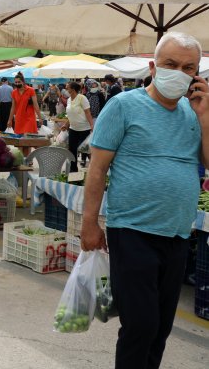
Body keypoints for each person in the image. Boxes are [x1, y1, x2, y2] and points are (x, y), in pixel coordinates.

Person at [80, 32, 208, 369]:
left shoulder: (194, 113)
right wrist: (89, 224)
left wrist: (205, 117)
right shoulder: (123, 105)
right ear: (153, 66)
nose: (178, 72)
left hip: (179, 232)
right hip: (132, 229)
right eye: (170, 64)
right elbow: (97, 170)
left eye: (188, 67)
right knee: (141, 324)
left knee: (161, 327)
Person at [62, 81, 93, 172]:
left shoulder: (82, 98)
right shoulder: (68, 100)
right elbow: (70, 114)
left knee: (86, 150)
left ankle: (93, 168)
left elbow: (87, 112)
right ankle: (73, 170)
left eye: (68, 87)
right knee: (72, 150)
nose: (66, 88)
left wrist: (92, 125)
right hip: (73, 128)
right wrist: (66, 124)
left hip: (84, 128)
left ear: (73, 89)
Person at [7, 72, 41, 142]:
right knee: (20, 142)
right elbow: (13, 107)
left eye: (19, 82)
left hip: (29, 118)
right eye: (15, 82)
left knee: (27, 140)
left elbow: (35, 104)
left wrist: (40, 118)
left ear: (23, 81)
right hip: (19, 119)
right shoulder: (14, 92)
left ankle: (28, 153)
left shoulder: (31, 90)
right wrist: (10, 120)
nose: (17, 84)